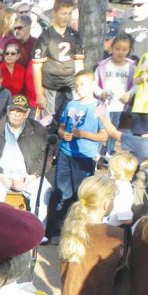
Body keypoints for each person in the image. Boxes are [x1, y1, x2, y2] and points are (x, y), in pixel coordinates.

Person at [46, 71, 107, 244]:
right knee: (61, 192)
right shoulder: (72, 104)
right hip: (65, 153)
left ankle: (76, 231)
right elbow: (61, 127)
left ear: (92, 85)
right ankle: (55, 230)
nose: (79, 88)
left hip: (85, 157)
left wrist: (84, 134)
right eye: (77, 85)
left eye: (83, 84)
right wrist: (63, 134)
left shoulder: (99, 107)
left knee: (81, 195)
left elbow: (104, 136)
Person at [0, 95, 52, 224]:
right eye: (13, 110)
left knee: (44, 188)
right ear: (7, 111)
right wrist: (1, 176)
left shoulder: (38, 130)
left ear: (27, 113)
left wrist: (32, 177)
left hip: (28, 175)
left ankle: (37, 231)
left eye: (20, 111)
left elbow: (46, 156)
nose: (16, 114)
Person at [32, 0, 83, 120]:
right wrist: (39, 93)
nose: (66, 17)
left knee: (69, 121)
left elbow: (79, 63)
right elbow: (37, 66)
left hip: (70, 86)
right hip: (51, 87)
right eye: (63, 13)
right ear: (54, 13)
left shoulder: (75, 35)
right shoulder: (46, 36)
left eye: (69, 13)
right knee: (49, 123)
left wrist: (79, 86)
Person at [95, 34, 136, 158]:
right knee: (101, 128)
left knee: (114, 127)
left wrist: (129, 94)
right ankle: (96, 153)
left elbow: (136, 84)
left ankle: (109, 151)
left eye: (124, 50)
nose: (121, 52)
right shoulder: (103, 66)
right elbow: (94, 84)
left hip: (119, 105)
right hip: (104, 105)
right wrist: (101, 93)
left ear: (129, 50)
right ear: (112, 48)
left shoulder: (131, 67)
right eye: (117, 49)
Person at [104, 151, 138, 227]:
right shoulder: (126, 190)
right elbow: (125, 219)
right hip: (110, 227)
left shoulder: (104, 179)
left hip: (99, 221)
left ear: (112, 171)